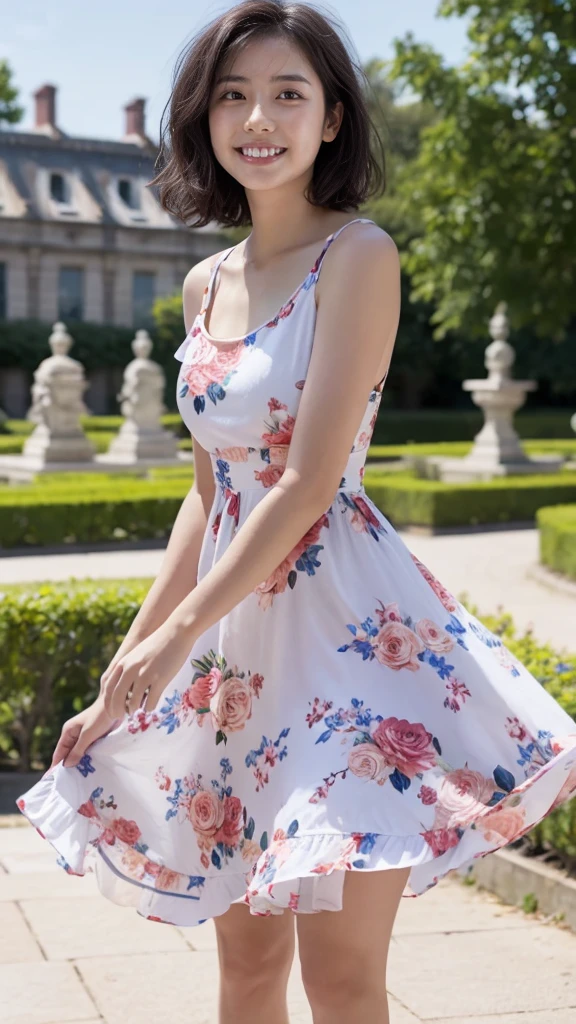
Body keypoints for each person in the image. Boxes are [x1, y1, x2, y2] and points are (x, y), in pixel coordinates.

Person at [16, 3, 576, 1023]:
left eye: (287, 94)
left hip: (345, 647)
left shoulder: (358, 255)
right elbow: (209, 495)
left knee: (345, 979)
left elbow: (309, 484)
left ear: (330, 119)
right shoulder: (200, 285)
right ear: (202, 119)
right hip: (235, 667)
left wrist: (178, 633)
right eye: (233, 95)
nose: (258, 118)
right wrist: (130, 664)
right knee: (245, 973)